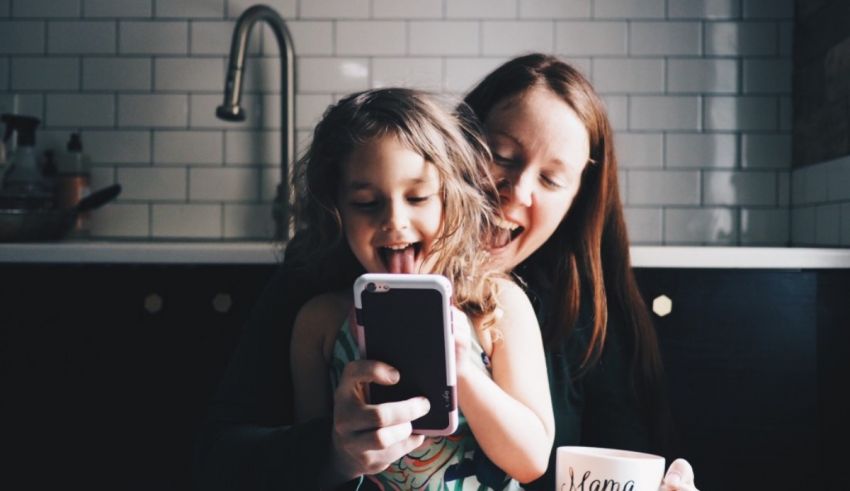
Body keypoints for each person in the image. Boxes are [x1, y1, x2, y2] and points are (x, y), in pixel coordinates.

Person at [193, 53, 698, 491]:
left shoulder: (546, 309)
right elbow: (223, 457)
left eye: (550, 179)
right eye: (500, 157)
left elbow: (606, 457)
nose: (516, 193)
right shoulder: (320, 296)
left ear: (577, 199)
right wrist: (330, 453)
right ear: (454, 156)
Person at [287, 87, 554, 489]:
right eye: (366, 202)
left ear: (453, 200)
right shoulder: (319, 325)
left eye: (418, 197)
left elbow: (532, 461)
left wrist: (464, 370)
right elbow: (307, 473)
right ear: (337, 210)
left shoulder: (499, 307)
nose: (395, 221)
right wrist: (341, 457)